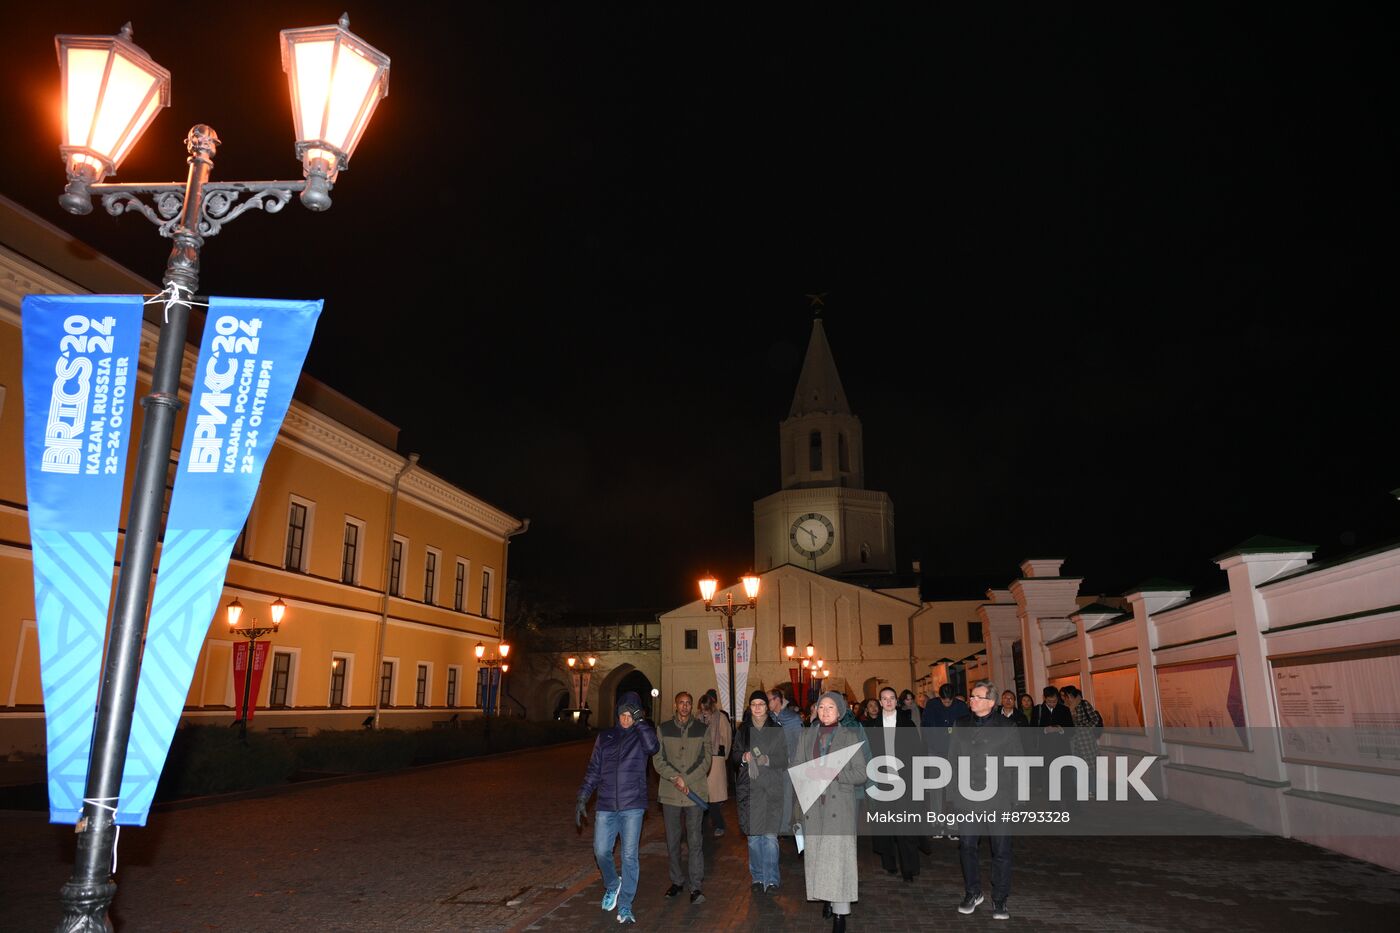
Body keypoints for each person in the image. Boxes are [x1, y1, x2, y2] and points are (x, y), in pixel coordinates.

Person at [576, 692, 659, 924]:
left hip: (632, 805)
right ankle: (613, 884)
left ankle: (625, 905)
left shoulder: (642, 736)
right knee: (601, 850)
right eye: (622, 714)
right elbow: (593, 769)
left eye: (629, 715)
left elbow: (654, 747)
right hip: (605, 805)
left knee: (629, 855)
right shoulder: (605, 737)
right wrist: (583, 795)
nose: (625, 719)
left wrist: (641, 721)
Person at [795, 692, 869, 933]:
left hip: (840, 808)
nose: (825, 711)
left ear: (840, 712)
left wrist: (835, 774)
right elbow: (796, 770)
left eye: (831, 707)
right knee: (818, 859)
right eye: (821, 707)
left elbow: (861, 773)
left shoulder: (849, 736)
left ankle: (840, 914)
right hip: (814, 808)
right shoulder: (806, 736)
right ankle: (825, 898)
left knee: (838, 863)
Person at [950, 679, 1023, 921]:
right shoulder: (960, 724)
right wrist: (953, 797)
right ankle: (972, 892)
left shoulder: (1007, 726)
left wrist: (1017, 797)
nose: (971, 699)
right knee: (968, 847)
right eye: (971, 696)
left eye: (977, 696)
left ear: (990, 702)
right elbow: (952, 762)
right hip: (968, 798)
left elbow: (1017, 764)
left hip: (998, 798)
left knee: (1001, 850)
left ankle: (1000, 898)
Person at [652, 691, 711, 904]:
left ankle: (696, 886)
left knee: (695, 841)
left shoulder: (702, 729)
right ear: (676, 706)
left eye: (688, 703)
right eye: (681, 703)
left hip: (694, 793)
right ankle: (677, 881)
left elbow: (706, 760)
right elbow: (658, 759)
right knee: (673, 840)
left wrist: (685, 778)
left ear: (691, 706)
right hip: (670, 793)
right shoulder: (663, 729)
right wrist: (674, 777)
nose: (684, 706)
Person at [731, 690, 790, 893]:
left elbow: (784, 758)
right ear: (749, 707)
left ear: (767, 707)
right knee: (754, 839)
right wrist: (744, 757)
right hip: (749, 789)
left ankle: (772, 879)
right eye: (753, 704)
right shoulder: (742, 730)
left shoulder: (776, 729)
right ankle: (757, 877)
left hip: (771, 788)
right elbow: (734, 755)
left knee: (770, 838)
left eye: (761, 704)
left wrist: (769, 760)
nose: (757, 707)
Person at [869, 686, 922, 881]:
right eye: (885, 698)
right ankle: (889, 863)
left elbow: (917, 752)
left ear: (895, 701)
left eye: (892, 698)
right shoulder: (872, 725)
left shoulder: (907, 724)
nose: (889, 701)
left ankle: (909, 868)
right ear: (880, 702)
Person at [920, 683, 970, 838]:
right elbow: (926, 727)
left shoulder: (961, 707)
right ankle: (937, 824)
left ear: (953, 698)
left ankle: (953, 825)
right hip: (935, 751)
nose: (947, 704)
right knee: (936, 789)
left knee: (954, 789)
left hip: (955, 753)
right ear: (939, 697)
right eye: (944, 701)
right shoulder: (932, 706)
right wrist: (933, 743)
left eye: (949, 701)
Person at [1028, 686, 1073, 794]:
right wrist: (1045, 730)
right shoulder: (1038, 710)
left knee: (1066, 780)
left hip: (1063, 750)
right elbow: (1032, 730)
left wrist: (1061, 729)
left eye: (1054, 701)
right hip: (1046, 751)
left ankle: (1069, 804)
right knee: (1050, 780)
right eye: (1049, 701)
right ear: (1044, 698)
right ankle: (1054, 805)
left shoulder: (1064, 710)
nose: (1052, 704)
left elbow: (1072, 730)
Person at [1060, 685, 1103, 798]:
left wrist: (1087, 729)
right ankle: (1080, 790)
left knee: (1090, 764)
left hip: (1086, 738)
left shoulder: (1083, 704)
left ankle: (1093, 790)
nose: (1063, 698)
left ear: (1069, 695)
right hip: (1072, 739)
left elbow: (1095, 718)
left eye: (1064, 695)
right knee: (1075, 764)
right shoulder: (1064, 707)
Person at [697, 692, 731, 836]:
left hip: (715, 760)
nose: (704, 711)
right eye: (702, 708)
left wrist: (723, 757)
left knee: (713, 797)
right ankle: (702, 824)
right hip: (700, 759)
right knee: (701, 794)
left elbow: (728, 738)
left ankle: (719, 824)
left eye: (706, 708)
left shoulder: (721, 718)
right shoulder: (698, 718)